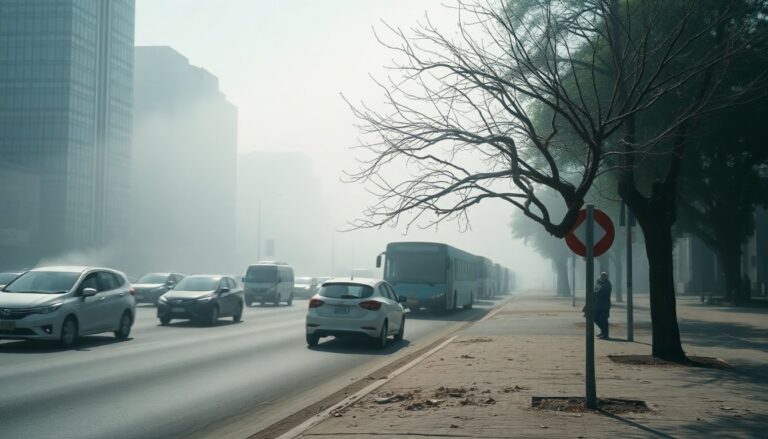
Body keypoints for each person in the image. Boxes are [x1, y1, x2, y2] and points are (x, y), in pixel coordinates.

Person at [594, 272, 612, 339]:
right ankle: (603, 332)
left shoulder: (607, 284)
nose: (602, 278)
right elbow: (596, 289)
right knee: (595, 318)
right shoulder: (599, 283)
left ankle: (605, 334)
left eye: (603, 277)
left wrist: (593, 292)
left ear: (606, 277)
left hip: (604, 306)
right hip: (598, 305)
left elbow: (599, 292)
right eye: (601, 276)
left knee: (604, 320)